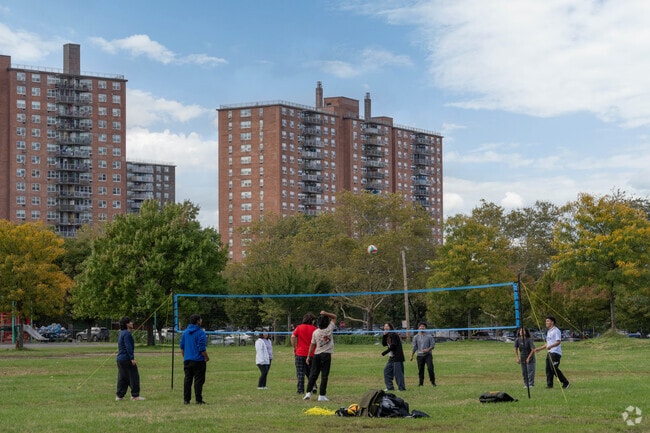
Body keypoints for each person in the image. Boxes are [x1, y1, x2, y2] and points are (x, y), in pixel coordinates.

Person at [303, 310, 337, 402]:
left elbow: (312, 344)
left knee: (313, 374)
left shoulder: (316, 332)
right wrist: (326, 313)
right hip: (326, 355)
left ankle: (308, 393)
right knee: (324, 375)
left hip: (317, 354)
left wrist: (308, 356)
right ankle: (321, 395)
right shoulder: (329, 329)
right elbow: (334, 316)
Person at [179, 314, 209, 404]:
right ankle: (198, 399)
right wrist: (206, 357)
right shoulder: (200, 333)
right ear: (198, 321)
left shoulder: (185, 333)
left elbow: (182, 347)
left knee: (188, 380)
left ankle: (186, 400)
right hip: (198, 360)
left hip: (187, 360)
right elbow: (202, 348)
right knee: (199, 380)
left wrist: (185, 357)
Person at [535, 315, 570, 389]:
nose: (546, 322)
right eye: (546, 321)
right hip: (550, 352)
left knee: (554, 368)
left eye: (548, 321)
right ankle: (549, 385)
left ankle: (565, 382)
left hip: (555, 353)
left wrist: (551, 346)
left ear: (552, 322)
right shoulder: (549, 331)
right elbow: (548, 343)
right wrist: (539, 349)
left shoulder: (556, 330)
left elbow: (558, 342)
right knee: (548, 369)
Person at [116, 316, 145, 401]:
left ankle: (119, 396)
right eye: (130, 322)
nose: (132, 323)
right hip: (126, 359)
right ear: (127, 324)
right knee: (134, 376)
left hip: (120, 359)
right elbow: (128, 347)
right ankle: (135, 396)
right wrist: (132, 358)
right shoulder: (127, 334)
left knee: (123, 378)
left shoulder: (122, 333)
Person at [291, 313, 317, 394]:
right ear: (312, 321)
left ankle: (300, 390)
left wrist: (294, 347)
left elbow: (293, 337)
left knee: (300, 373)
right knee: (311, 372)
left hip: (300, 353)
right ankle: (313, 386)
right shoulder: (315, 329)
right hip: (312, 354)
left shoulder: (299, 327)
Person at [410, 322, 436, 387]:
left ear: (425, 328)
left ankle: (433, 382)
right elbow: (414, 346)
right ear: (418, 328)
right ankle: (421, 383)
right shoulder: (416, 337)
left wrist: (428, 349)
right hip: (419, 356)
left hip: (428, 355)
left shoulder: (429, 336)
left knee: (430, 368)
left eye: (423, 326)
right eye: (420, 326)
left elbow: (432, 345)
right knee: (420, 369)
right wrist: (412, 355)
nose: (422, 327)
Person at [381, 322, 406, 391]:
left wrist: (385, 352)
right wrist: (384, 336)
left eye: (387, 326)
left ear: (391, 328)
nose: (386, 328)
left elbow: (393, 346)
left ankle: (401, 388)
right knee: (387, 371)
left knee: (398, 374)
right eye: (385, 326)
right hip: (391, 358)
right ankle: (390, 387)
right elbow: (384, 344)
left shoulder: (394, 335)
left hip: (397, 357)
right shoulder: (388, 336)